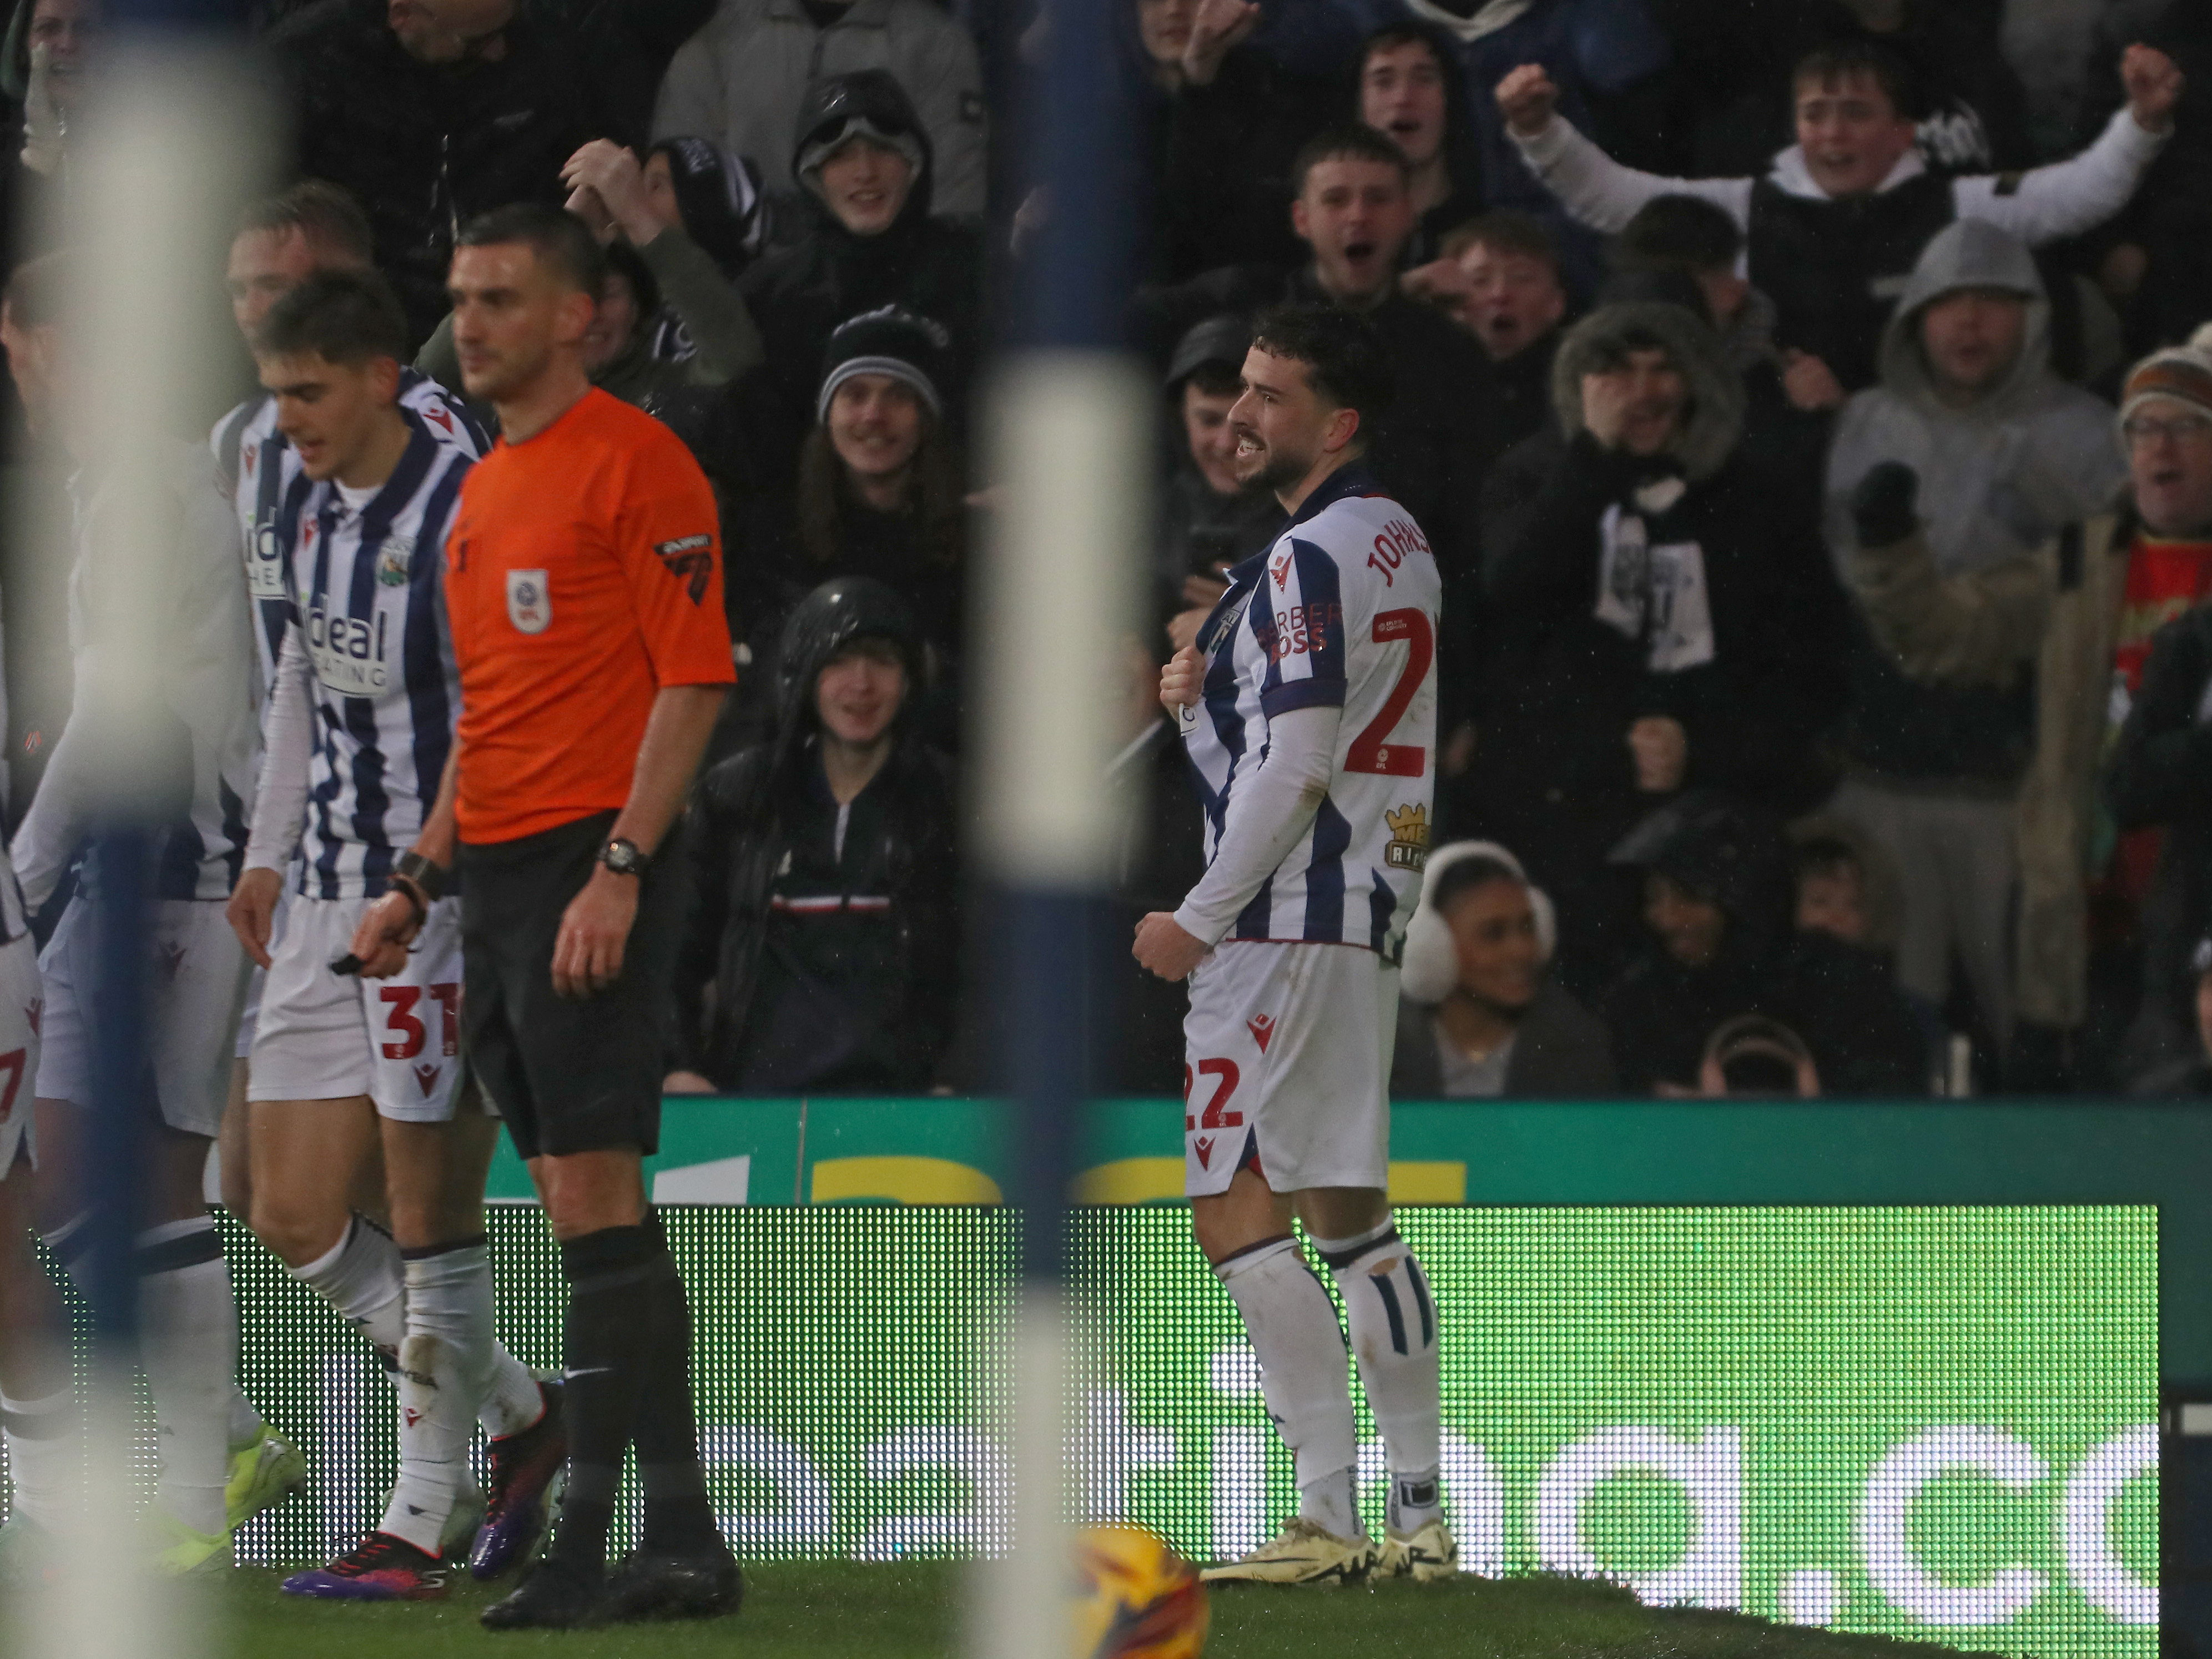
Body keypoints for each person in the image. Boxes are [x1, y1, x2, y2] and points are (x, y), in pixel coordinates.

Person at [347, 204, 737, 1627]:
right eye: (462, 298)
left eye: (503, 298)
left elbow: (694, 679)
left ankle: (583, 1548)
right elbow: (488, 720)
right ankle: (686, 1539)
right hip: (501, 878)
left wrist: (622, 869)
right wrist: (419, 877)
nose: (476, 323)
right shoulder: (484, 490)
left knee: (584, 1197)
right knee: (601, 1209)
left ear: (584, 316)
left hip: (593, 862)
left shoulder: (643, 465)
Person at [224, 269, 566, 1600]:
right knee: (287, 1205)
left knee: (426, 1211)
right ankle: (527, 1416)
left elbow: (493, 714)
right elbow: (302, 678)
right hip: (317, 893)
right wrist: (268, 857)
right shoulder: (302, 501)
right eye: (274, 394)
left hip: (437, 900)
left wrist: (422, 877)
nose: (287, 419)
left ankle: (417, 1524)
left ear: (379, 378)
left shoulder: (465, 507)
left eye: (306, 392)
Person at [1137, 304, 1453, 1585]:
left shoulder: (1305, 557)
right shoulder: (1397, 540)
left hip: (1279, 920)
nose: (1239, 414)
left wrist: (1194, 917)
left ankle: (1325, 1521)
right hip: (1361, 902)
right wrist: (1201, 694)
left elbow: (1303, 760)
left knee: (1232, 1210)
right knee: (1352, 1217)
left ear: (1340, 422)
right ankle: (1417, 1519)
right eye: (1237, 390)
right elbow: (1299, 739)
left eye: (1271, 396)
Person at [3, 250, 271, 1574]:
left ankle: (206, 1451)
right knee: (149, 1172)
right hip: (182, 862)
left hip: (159, 866)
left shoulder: (137, 493)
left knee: (58, 1175)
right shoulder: (152, 481)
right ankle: (221, 1442)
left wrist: (26, 872)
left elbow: (118, 712)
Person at [1838, 340, 2212, 1086]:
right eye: (2141, 428)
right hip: (2084, 913)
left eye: (2185, 426)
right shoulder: (2086, 559)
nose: (2158, 446)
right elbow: (1952, 634)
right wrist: (1890, 547)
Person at [1469, 295, 1849, 990]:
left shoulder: (1756, 497)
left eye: (1662, 370)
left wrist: (1703, 746)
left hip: (1725, 815)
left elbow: (1810, 668)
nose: (1641, 393)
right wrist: (1593, 461)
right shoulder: (1530, 476)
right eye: (1619, 373)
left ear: (1698, 381)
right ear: (1582, 381)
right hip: (1572, 818)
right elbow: (1513, 593)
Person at [1825, 219, 2125, 1067]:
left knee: (2023, 1035)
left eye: (1993, 302)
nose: (1969, 323)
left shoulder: (2091, 433)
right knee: (1883, 1035)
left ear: (2030, 317)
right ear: (1914, 316)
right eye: (1948, 302)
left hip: (2016, 791)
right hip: (1878, 777)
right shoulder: (1863, 423)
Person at [1494, 36, 2185, 394]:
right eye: (1816, 116)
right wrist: (1540, 133)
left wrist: (2142, 124)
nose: (1833, 135)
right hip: (1784, 455)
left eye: (1856, 114)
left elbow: (2077, 194)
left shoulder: (1956, 205)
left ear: (1903, 134)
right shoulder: (1747, 207)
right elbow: (1615, 199)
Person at [1137, 124, 1488, 572]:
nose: (1358, 216)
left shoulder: (1450, 355)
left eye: (1377, 199)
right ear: (1301, 218)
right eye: (1336, 199)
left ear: (1407, 214)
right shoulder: (1239, 307)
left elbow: (1464, 522)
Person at [668, 578, 958, 1095]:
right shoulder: (737, 797)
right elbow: (673, 954)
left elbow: (989, 966)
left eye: (882, 662)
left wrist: (956, 1079)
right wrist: (679, 1064)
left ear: (911, 679)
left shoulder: (952, 802)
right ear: (800, 675)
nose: (861, 684)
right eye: (839, 661)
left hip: (904, 1111)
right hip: (753, 1106)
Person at [266, 0, 659, 342]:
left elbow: (605, 143)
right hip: (366, 329)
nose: (498, 51)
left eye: (505, 28)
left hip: (521, 314)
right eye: (475, 42)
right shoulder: (307, 65)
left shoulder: (549, 40)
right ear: (404, 16)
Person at [723, 307, 966, 753]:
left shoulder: (975, 542)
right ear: (828, 413)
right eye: (854, 395)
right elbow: (766, 678)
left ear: (926, 418)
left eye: (897, 397)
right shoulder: (775, 531)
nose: (873, 415)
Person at [1601, 793, 1927, 1095]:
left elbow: (1882, 1120)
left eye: (1689, 897)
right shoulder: (1640, 997)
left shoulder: (1845, 986)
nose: (1666, 918)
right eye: (1655, 898)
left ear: (1748, 902)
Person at [737, 71, 984, 460]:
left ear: (914, 164)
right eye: (840, 155)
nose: (865, 172)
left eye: (883, 150)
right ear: (812, 176)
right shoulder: (769, 295)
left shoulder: (976, 269)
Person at [651, 0, 986, 219]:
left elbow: (954, 207)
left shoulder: (934, 44)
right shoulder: (718, 43)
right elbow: (675, 203)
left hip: (887, 293)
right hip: (750, 297)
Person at [1390, 840, 1615, 1097]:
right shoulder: (1383, 1045)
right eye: (1493, 934)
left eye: (1528, 927)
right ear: (1431, 946)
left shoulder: (1576, 1039)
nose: (1522, 950)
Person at [1156, 312, 1286, 652]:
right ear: (1180, 417)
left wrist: (1247, 622)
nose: (1228, 444)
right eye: (1209, 420)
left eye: (1244, 422)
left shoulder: (1316, 518)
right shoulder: (1137, 516)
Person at [1358, 22, 1483, 266]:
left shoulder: (1488, 234)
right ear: (1359, 106)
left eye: (1424, 79)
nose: (1403, 98)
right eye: (1383, 82)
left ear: (1451, 101)